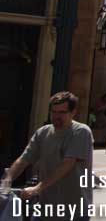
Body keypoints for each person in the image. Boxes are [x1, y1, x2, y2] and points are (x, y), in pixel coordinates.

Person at [1, 92, 93, 220]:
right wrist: (8, 179)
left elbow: (68, 164)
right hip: (44, 208)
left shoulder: (81, 132)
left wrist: (37, 188)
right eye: (53, 112)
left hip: (74, 209)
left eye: (62, 112)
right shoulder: (43, 133)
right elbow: (24, 159)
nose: (56, 116)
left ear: (73, 112)